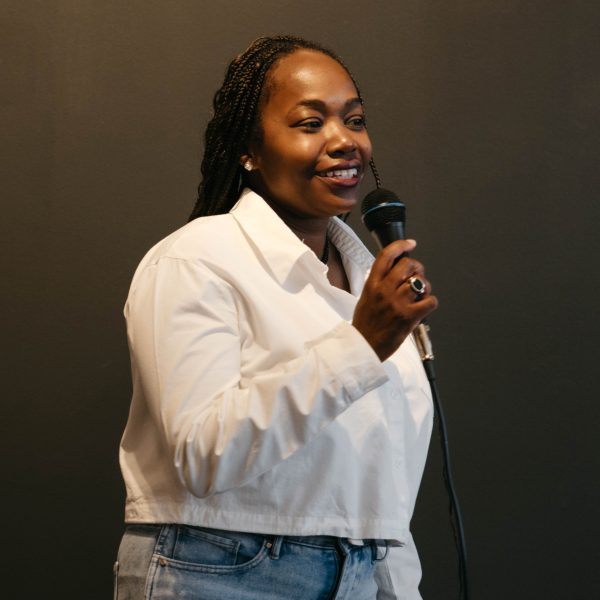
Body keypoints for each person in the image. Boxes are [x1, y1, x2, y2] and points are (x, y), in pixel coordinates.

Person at [114, 35, 438, 600]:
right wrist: (361, 345)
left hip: (361, 573)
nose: (345, 141)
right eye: (310, 123)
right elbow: (202, 453)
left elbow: (385, 482)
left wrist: (396, 588)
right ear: (250, 150)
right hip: (221, 570)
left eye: (354, 120)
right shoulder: (197, 259)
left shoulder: (369, 281)